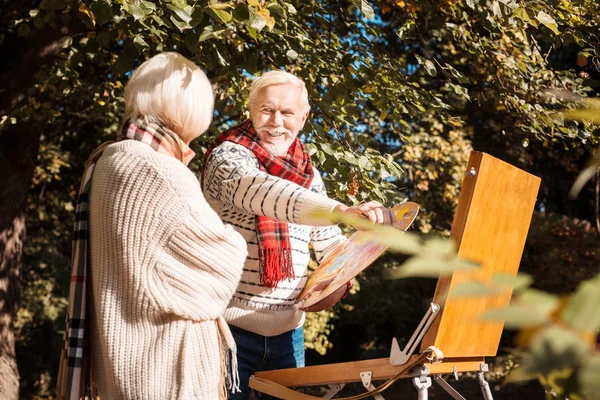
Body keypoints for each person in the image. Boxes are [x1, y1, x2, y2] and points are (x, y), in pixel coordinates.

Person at [56, 52, 247, 400]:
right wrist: (231, 230)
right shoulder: (160, 171)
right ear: (188, 109)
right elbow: (224, 265)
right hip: (164, 368)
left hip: (123, 361)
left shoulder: (108, 159)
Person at [202, 70, 396, 399]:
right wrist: (340, 209)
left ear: (303, 118)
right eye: (266, 109)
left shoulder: (307, 174)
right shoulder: (227, 159)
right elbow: (265, 192)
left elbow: (330, 244)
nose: (276, 121)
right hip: (223, 332)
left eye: (288, 112)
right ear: (250, 110)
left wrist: (338, 284)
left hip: (288, 338)